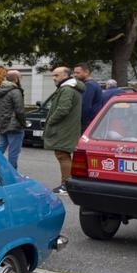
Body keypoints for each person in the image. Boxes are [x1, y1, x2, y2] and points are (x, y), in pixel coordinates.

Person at [44, 66, 84, 194]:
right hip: (67, 127)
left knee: (62, 155)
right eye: (53, 75)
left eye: (56, 75)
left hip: (64, 128)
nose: (54, 78)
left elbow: (63, 109)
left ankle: (66, 185)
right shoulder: (69, 88)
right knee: (64, 154)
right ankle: (68, 183)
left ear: (65, 76)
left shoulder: (67, 89)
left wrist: (50, 121)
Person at [0, 70, 26, 168]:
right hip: (14, 126)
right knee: (13, 152)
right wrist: (23, 123)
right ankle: (13, 174)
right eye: (21, 77)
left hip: (2, 124)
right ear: (16, 79)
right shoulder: (15, 91)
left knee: (0, 148)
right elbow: (20, 110)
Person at [73, 62, 104, 131]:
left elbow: (85, 106)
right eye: (74, 73)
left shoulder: (89, 85)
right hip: (92, 122)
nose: (75, 75)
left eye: (78, 73)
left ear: (86, 72)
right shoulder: (93, 84)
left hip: (87, 124)